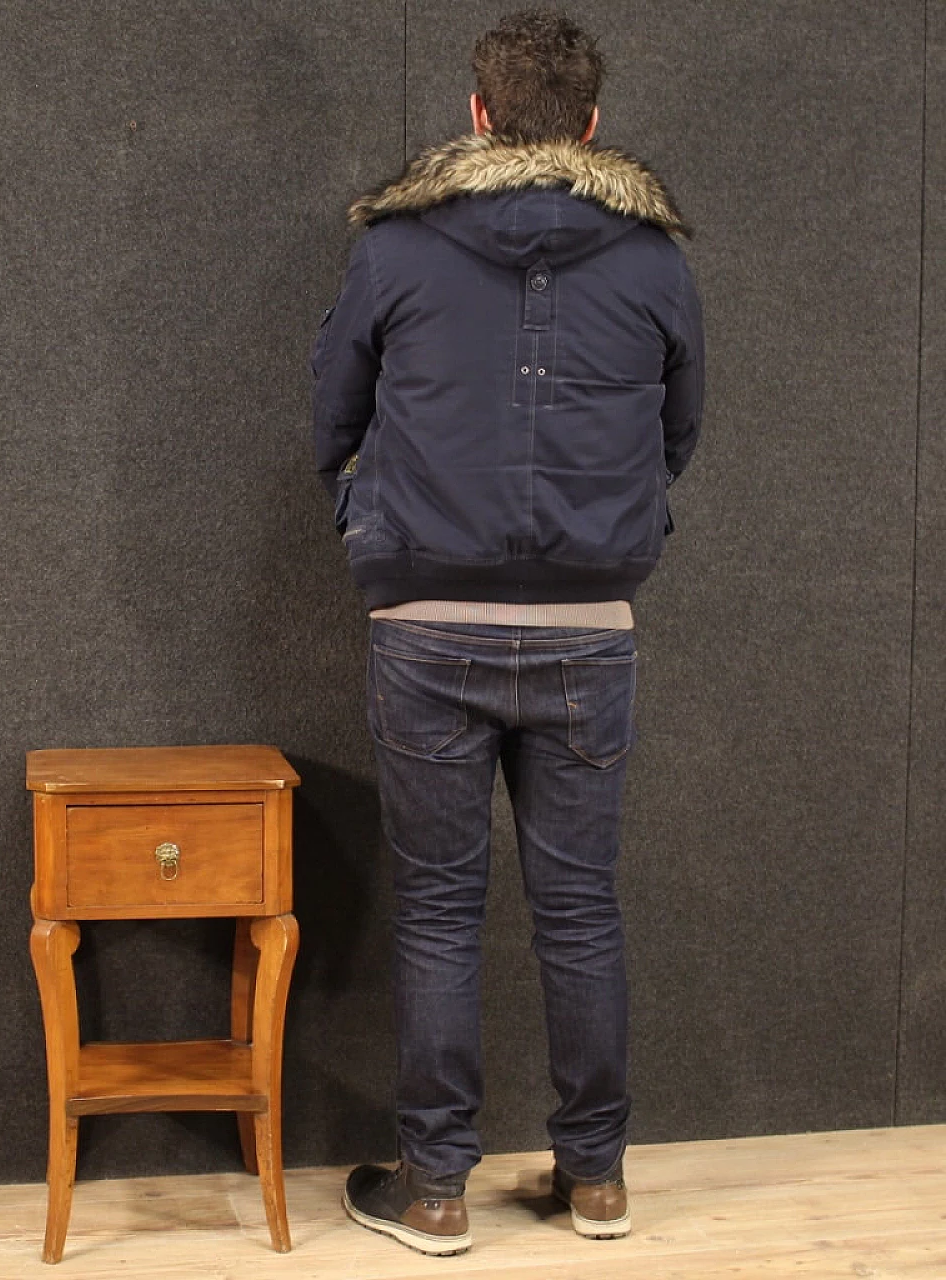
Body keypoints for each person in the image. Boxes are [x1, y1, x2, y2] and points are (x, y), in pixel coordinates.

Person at [311, 8, 704, 1257]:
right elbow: (679, 431)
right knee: (578, 907)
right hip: (589, 627)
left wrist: (366, 514)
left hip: (425, 621)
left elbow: (330, 409)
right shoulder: (653, 262)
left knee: (436, 909)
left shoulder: (394, 248)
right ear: (589, 125)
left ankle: (434, 1191)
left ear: (478, 115)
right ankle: (595, 1178)